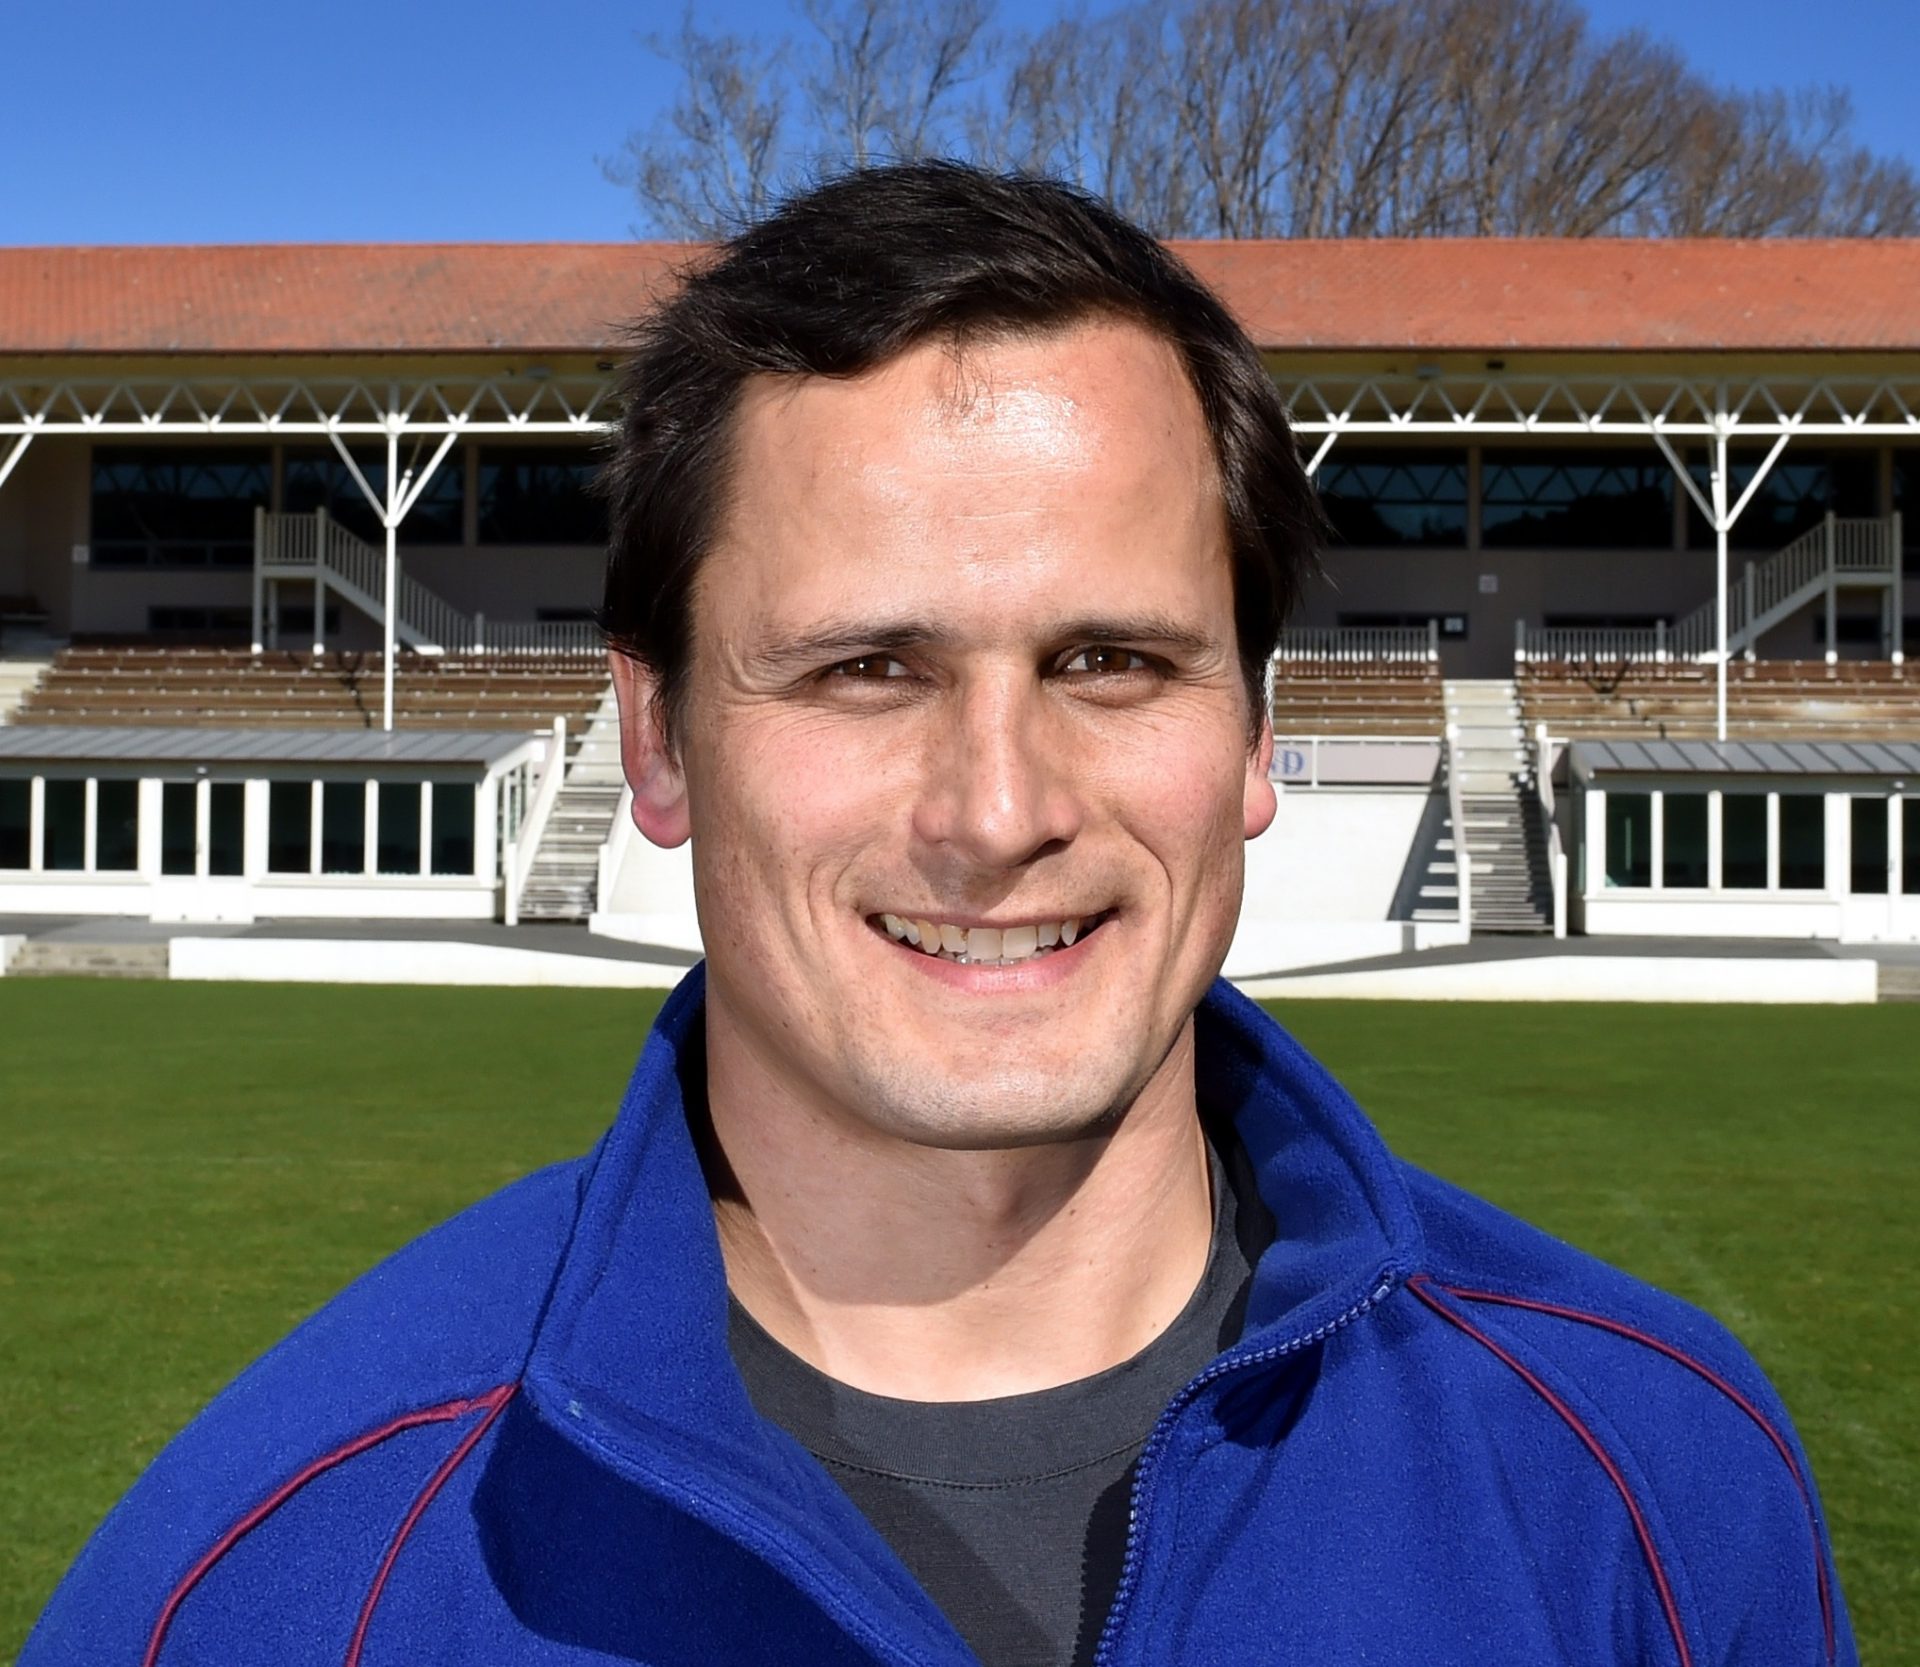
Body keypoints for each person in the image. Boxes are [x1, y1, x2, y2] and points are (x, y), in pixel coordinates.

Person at [27, 163, 1852, 1667]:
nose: (998, 812)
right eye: (867, 668)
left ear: (1254, 739)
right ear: (657, 743)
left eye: (1113, 661)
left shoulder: (1654, 1482)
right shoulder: (274, 1576)